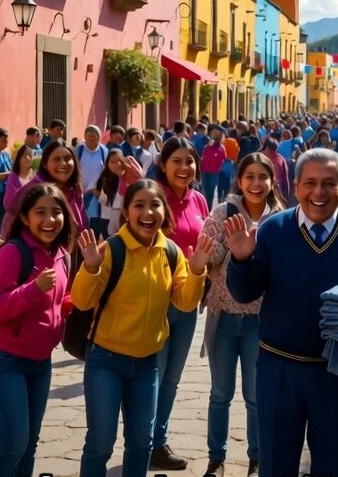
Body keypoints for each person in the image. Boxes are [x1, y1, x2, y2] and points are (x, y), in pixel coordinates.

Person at [226, 148, 338, 477]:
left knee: (332, 464)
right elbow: (245, 294)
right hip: (278, 368)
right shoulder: (273, 229)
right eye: (310, 183)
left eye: (329, 183)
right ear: (296, 186)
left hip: (337, 373)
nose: (318, 192)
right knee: (275, 464)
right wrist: (241, 260)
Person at [73, 180, 210, 476]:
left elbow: (185, 302)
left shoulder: (170, 252)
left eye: (155, 205)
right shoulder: (111, 250)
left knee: (141, 445)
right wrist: (91, 267)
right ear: (126, 212)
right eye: (139, 205)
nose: (148, 212)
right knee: (100, 444)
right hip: (105, 361)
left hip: (147, 364)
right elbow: (82, 301)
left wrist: (197, 270)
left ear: (164, 211)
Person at [197, 153, 285, 477]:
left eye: (263, 177)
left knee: (256, 396)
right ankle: (216, 459)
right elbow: (208, 259)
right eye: (250, 176)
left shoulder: (281, 219)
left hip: (261, 321)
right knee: (220, 393)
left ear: (272, 181)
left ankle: (257, 459)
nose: (256, 183)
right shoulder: (223, 212)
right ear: (240, 179)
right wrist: (228, 248)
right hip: (223, 317)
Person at [0, 183, 72, 476]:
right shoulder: (13, 252)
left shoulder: (62, 255)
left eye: (56, 212)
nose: (49, 220)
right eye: (40, 212)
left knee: (30, 442)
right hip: (5, 360)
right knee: (14, 441)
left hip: (40, 362)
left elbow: (58, 302)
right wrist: (34, 289)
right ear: (24, 218)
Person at [151, 137, 209, 470]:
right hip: (155, 301)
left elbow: (206, 244)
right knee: (153, 376)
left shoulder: (199, 199)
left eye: (189, 161)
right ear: (163, 164)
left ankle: (158, 442)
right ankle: (142, 440)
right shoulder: (153, 197)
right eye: (176, 161)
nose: (184, 167)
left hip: (187, 303)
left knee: (171, 379)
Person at [2, 139, 87, 237]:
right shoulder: (32, 191)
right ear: (45, 164)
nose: (63, 164)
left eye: (68, 158)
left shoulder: (75, 190)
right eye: (56, 159)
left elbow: (81, 223)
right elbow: (10, 222)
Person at [96, 149, 142, 237]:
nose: (117, 164)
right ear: (107, 163)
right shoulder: (105, 178)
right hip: (106, 217)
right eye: (112, 162)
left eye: (120, 161)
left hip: (123, 216)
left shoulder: (128, 176)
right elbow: (104, 200)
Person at [77, 126, 109, 234]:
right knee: (81, 224)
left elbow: (108, 172)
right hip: (80, 194)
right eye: (88, 137)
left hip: (96, 194)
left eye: (94, 138)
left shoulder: (104, 151)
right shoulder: (78, 150)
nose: (91, 140)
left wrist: (100, 191)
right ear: (85, 137)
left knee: (95, 226)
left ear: (99, 138)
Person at [4, 144, 36, 213]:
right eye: (25, 155)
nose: (28, 158)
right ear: (19, 157)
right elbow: (8, 202)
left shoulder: (33, 173)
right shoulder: (13, 177)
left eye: (31, 155)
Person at [200, 126, 227, 209]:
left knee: (207, 192)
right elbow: (224, 159)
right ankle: (207, 209)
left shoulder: (209, 147)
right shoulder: (219, 148)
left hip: (209, 172)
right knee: (209, 192)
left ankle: (207, 209)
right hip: (211, 172)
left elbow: (203, 158)